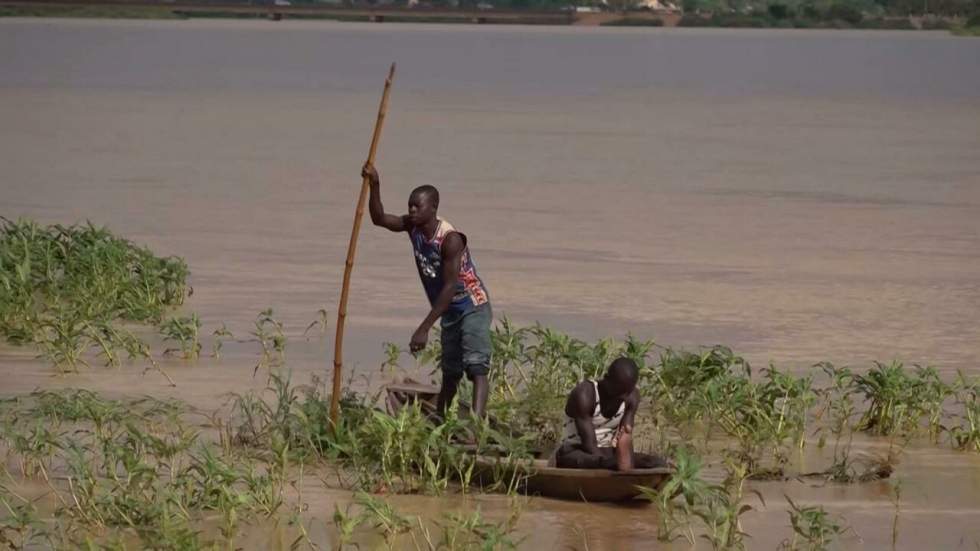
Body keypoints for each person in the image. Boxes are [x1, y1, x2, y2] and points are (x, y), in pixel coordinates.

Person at [363, 163, 492, 418]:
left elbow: (449, 288)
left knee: (476, 367)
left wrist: (423, 329)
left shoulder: (450, 239)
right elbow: (379, 219)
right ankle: (442, 420)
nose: (411, 210)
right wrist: (374, 184)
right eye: (410, 205)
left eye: (417, 206)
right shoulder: (413, 227)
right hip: (448, 310)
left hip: (471, 304)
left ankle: (477, 428)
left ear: (433, 209)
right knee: (451, 371)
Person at [557, 357, 666, 470]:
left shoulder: (632, 397)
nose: (623, 396)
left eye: (627, 392)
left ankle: (620, 464)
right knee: (605, 462)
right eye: (618, 390)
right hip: (575, 451)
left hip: (609, 452)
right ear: (606, 379)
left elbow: (625, 435)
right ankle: (617, 465)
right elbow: (589, 444)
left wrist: (627, 459)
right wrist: (613, 463)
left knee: (655, 462)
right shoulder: (585, 395)